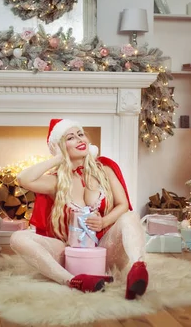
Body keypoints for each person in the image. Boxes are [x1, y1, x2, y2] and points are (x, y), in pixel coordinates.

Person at [11, 118, 148, 299]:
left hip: (106, 249)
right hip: (70, 253)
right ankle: (73, 281)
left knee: (130, 216)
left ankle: (138, 270)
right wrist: (59, 158)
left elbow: (123, 205)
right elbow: (23, 179)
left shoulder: (104, 169)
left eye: (80, 134)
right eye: (70, 137)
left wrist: (104, 221)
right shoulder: (56, 181)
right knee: (18, 237)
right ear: (60, 146)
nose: (79, 139)